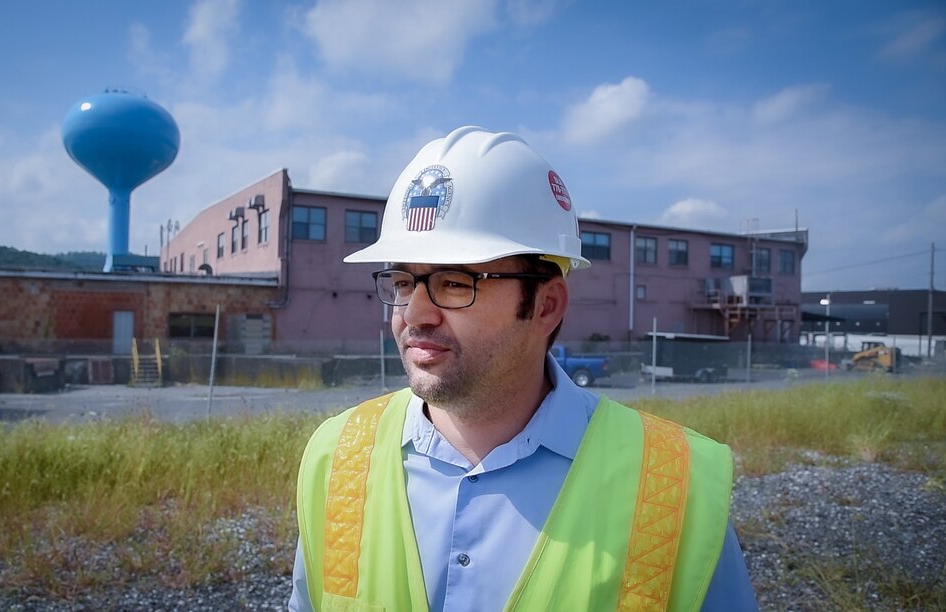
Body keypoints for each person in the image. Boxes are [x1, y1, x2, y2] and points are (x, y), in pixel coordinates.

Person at [289, 126, 757, 611]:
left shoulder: (674, 488)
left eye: (454, 282)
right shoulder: (335, 458)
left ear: (546, 305)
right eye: (404, 282)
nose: (416, 313)